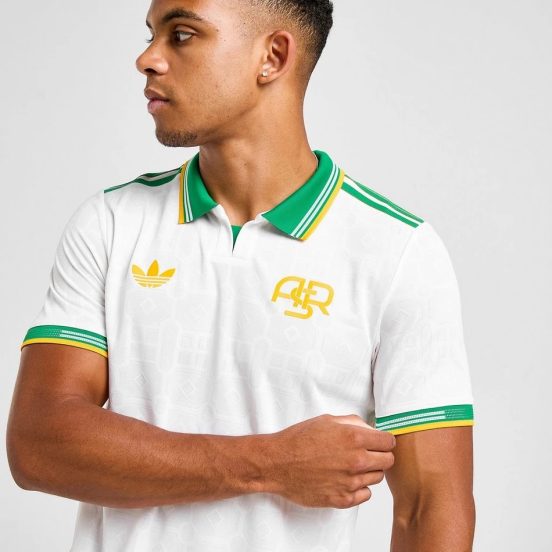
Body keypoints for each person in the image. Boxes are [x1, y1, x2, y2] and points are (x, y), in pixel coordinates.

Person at [6, 0, 475, 550]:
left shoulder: (398, 251)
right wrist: (269, 464)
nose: (147, 58)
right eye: (150, 34)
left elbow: (428, 508)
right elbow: (38, 445)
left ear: (272, 57)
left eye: (182, 35)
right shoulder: (110, 223)